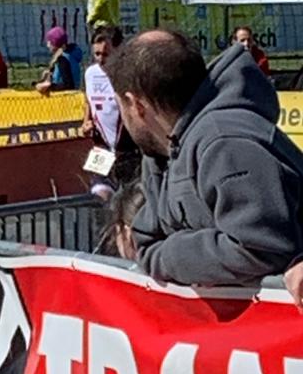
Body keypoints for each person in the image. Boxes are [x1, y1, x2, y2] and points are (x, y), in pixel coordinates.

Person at [106, 28, 303, 294]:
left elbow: (261, 247)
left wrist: (173, 251)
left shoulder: (226, 143)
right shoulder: (161, 154)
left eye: (120, 105)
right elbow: (146, 241)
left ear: (136, 105)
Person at [81, 24, 139, 194]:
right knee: (99, 193)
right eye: (97, 54)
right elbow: (89, 100)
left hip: (128, 149)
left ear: (119, 51)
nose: (101, 59)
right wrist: (86, 121)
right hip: (102, 147)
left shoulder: (128, 75)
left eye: (106, 54)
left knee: (131, 197)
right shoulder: (91, 74)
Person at [35, 26, 76, 95]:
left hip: (66, 98)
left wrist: (49, 87)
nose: (48, 45)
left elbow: (69, 85)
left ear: (55, 43)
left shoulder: (62, 60)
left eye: (50, 42)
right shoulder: (70, 56)